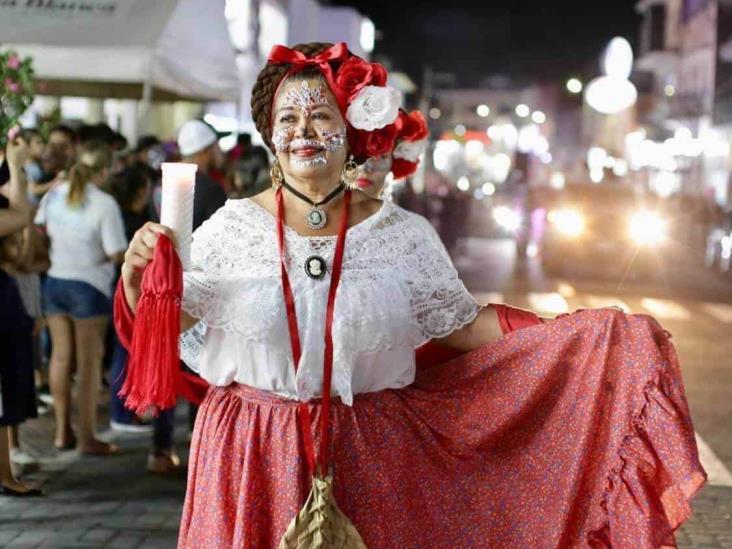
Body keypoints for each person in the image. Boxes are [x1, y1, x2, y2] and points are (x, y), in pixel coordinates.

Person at [118, 43, 704, 548]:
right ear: (270, 134)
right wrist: (138, 279)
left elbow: (462, 325)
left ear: (350, 129)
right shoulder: (229, 228)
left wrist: (570, 333)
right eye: (288, 119)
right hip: (249, 455)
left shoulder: (402, 234)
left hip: (370, 453)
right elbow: (167, 324)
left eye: (320, 116)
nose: (303, 132)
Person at [35, 141, 127, 455]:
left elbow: (39, 230)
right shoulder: (104, 203)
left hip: (55, 281)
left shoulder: (55, 194)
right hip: (89, 287)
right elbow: (116, 251)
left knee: (60, 357)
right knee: (88, 362)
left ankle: (62, 433)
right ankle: (87, 437)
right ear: (102, 172)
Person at [107, 166, 179, 473]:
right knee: (155, 362)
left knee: (124, 356)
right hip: (145, 298)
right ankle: (154, 437)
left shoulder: (124, 218)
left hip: (131, 296)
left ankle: (125, 412)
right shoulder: (145, 229)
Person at [176, 120, 228, 229]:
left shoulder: (160, 185)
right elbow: (221, 234)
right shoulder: (211, 189)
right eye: (216, 146)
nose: (220, 151)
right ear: (206, 152)